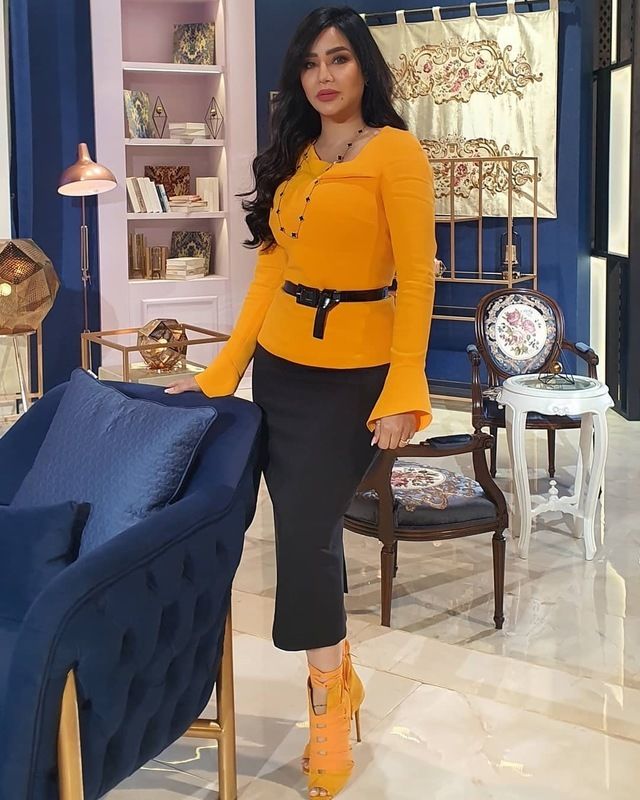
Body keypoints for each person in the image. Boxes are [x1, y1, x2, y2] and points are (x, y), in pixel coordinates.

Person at [166, 6, 436, 798]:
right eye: (312, 62)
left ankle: (324, 709)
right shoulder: (295, 155)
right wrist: (222, 373)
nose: (324, 75)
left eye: (339, 58)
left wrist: (406, 387)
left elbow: (418, 277)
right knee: (302, 531)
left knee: (307, 536)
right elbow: (269, 275)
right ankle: (337, 677)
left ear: (363, 69)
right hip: (282, 369)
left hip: (355, 378)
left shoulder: (396, 152)